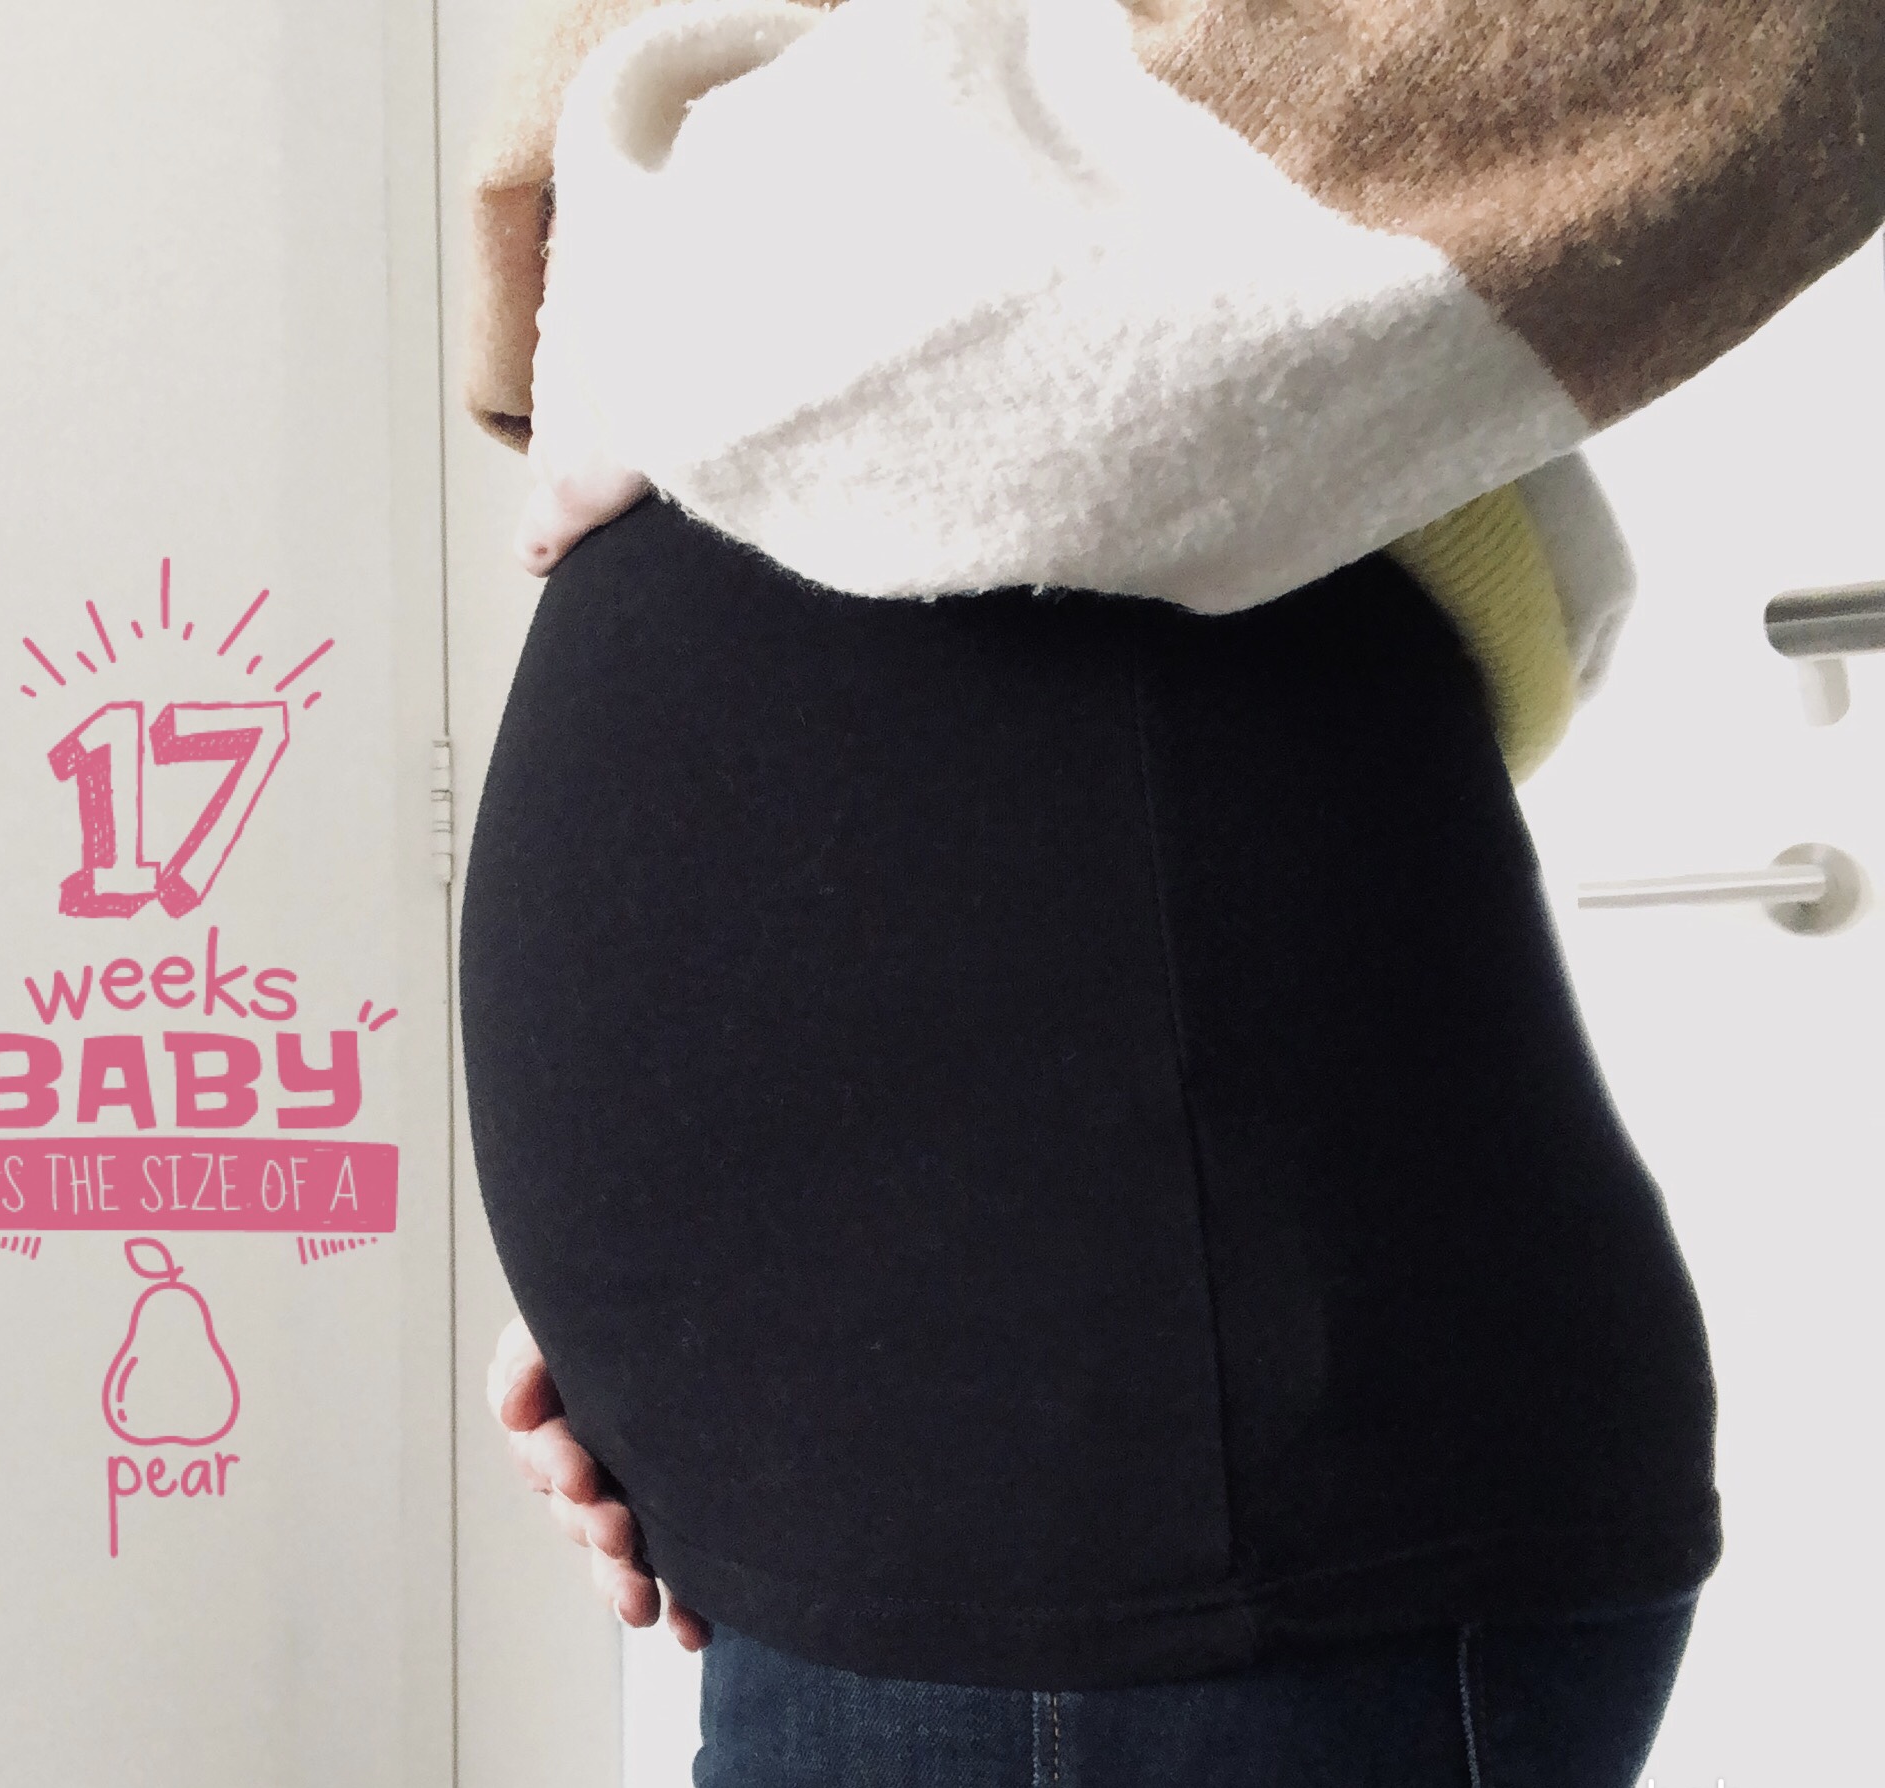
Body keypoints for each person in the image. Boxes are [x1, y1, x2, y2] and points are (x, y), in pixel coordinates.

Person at [457, 0, 1885, 1779]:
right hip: (958, 1443)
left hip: (1154, 1487)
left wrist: (706, 342)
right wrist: (698, 1303)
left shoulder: (749, 308)